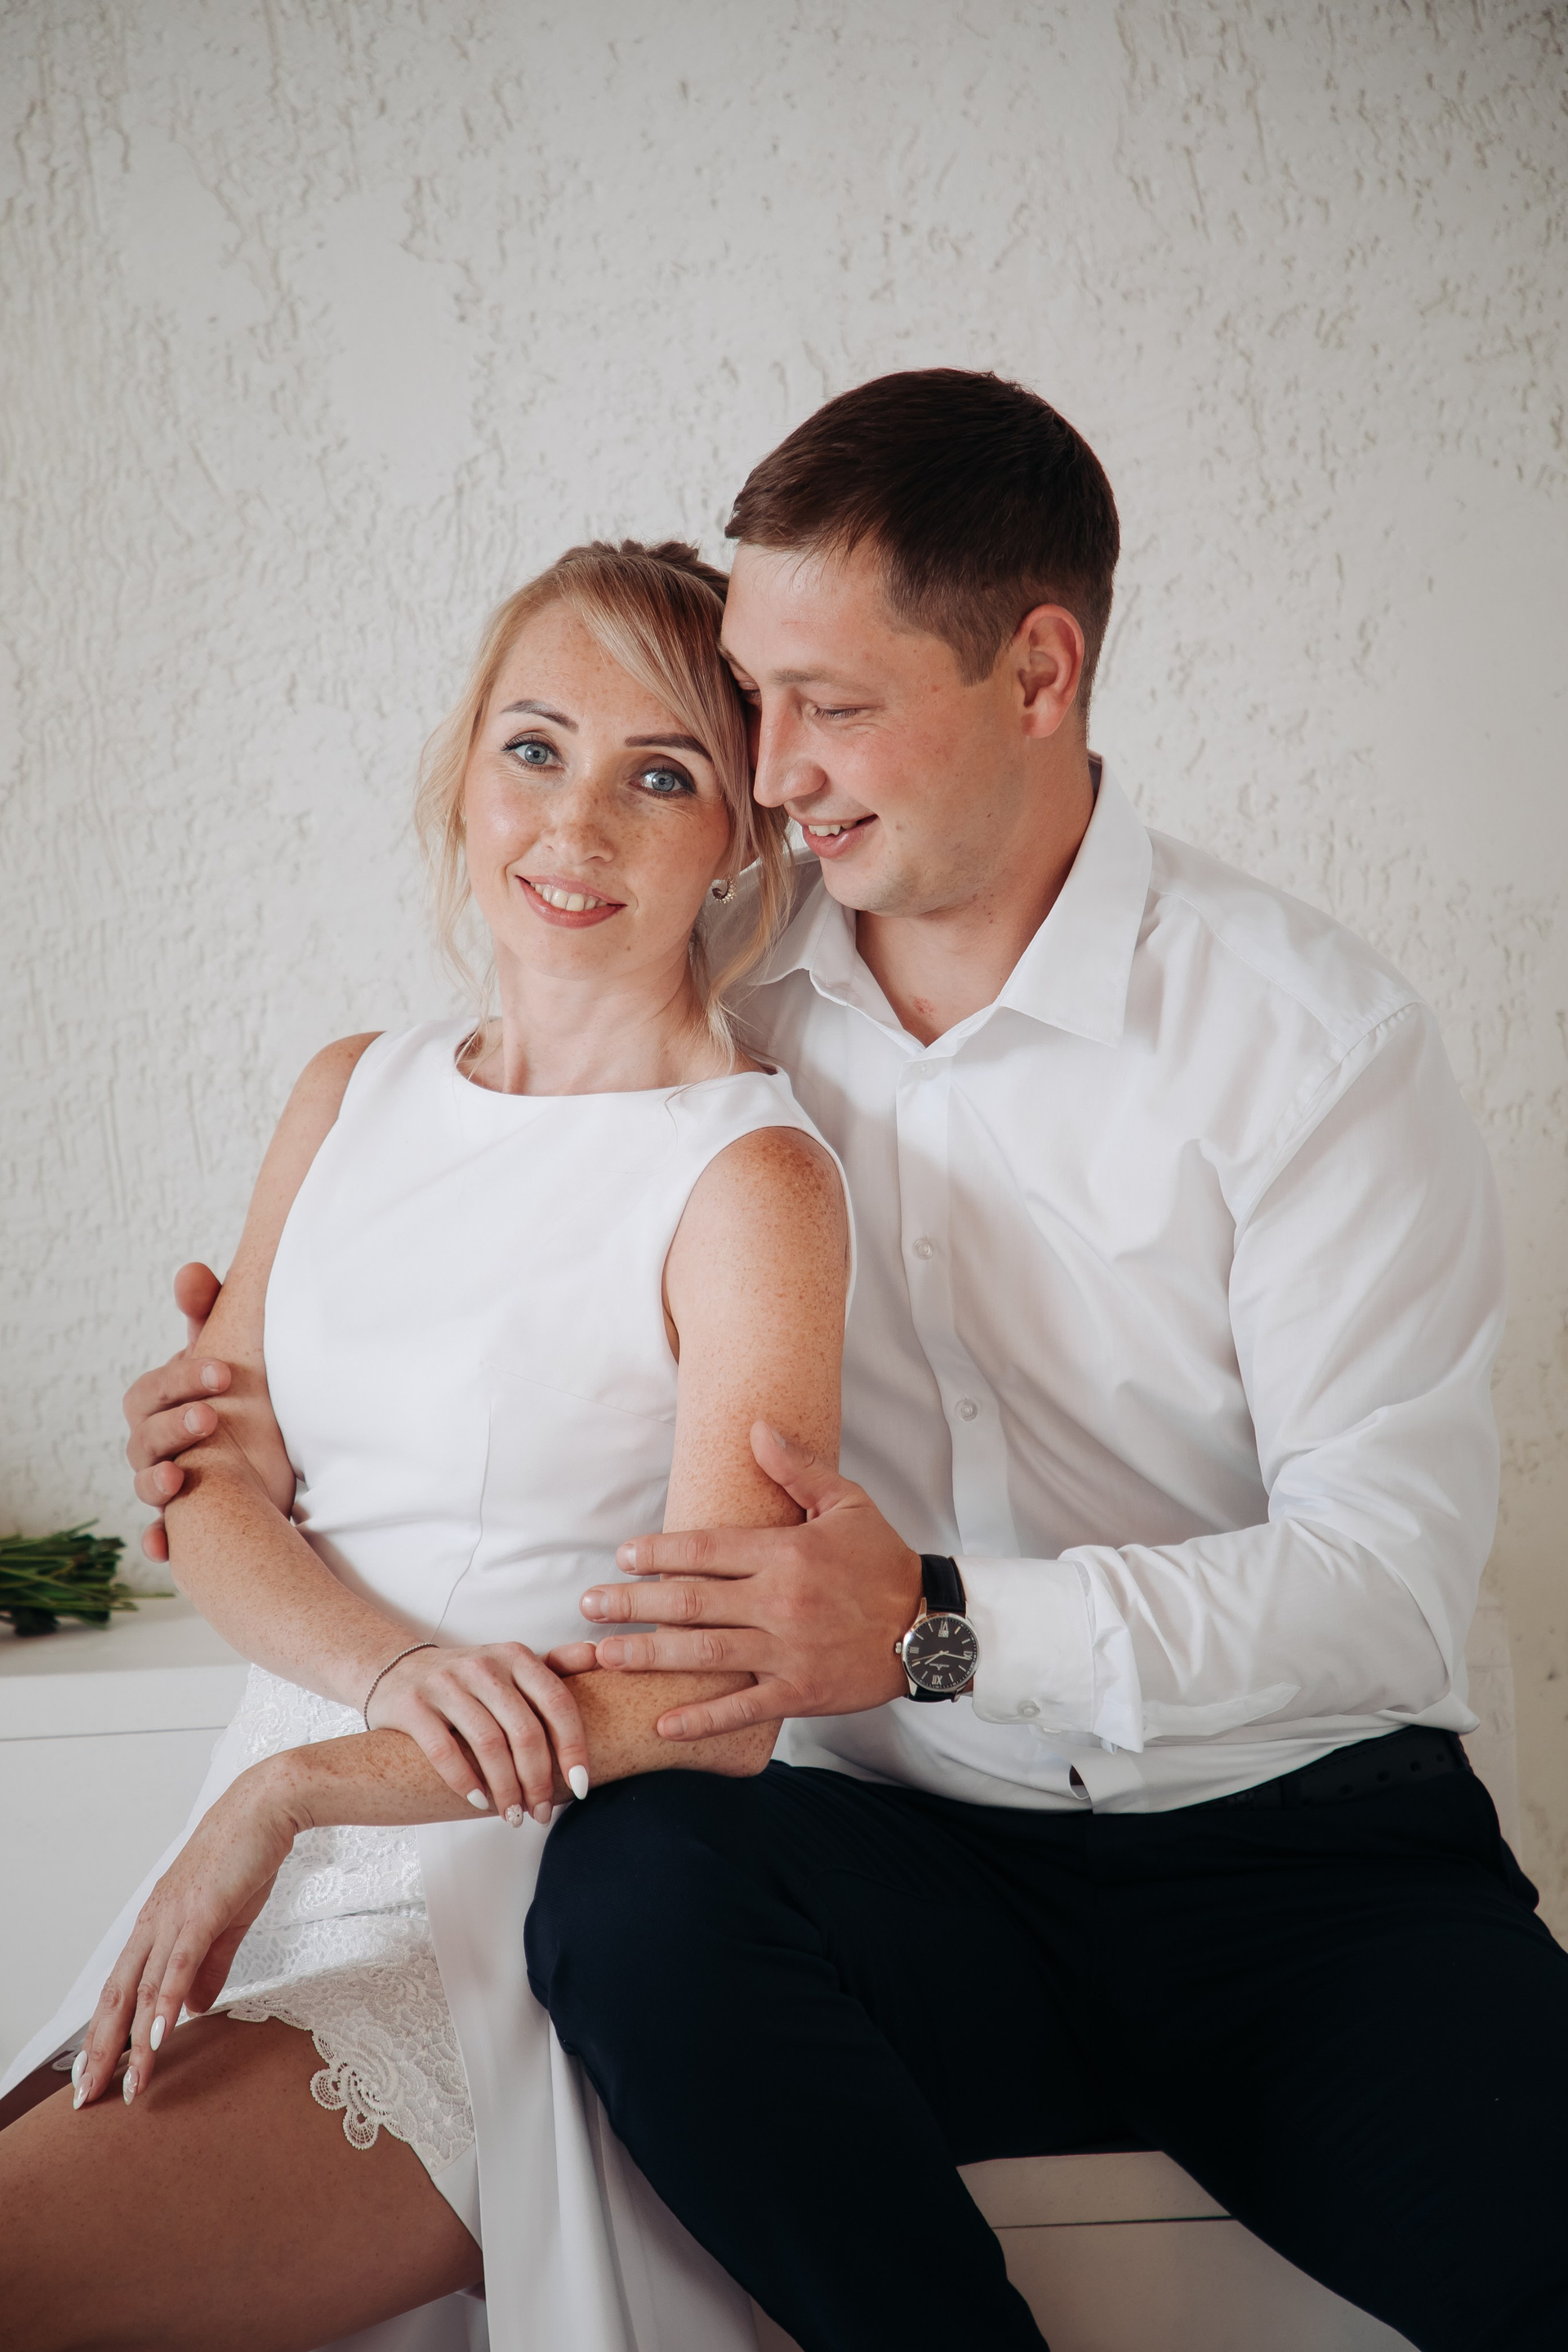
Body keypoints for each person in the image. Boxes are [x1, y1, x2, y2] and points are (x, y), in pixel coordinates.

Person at [104, 369, 1566, 2352]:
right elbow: (502, 1203)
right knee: (632, 1901)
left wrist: (938, 1629)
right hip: (890, 1853)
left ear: (1038, 671)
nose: (772, 767)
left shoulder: (1308, 1043)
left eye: (830, 704)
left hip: (1296, 1859)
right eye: (753, 702)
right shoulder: (720, 990)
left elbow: (1383, 1589)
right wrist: (259, 1382)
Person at [0, 540, 851, 2352]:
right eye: (534, 748)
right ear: (464, 767)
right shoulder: (350, 1089)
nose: (575, 823)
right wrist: (371, 1682)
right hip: (259, 1844)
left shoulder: (749, 1180)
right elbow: (212, 1488)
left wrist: (307, 1785)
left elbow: (723, 1698)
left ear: (740, 838)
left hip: (500, 1911)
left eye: (661, 775)